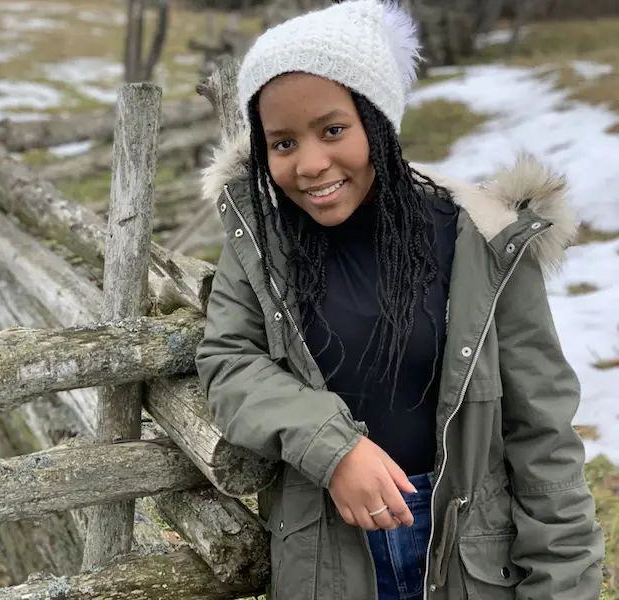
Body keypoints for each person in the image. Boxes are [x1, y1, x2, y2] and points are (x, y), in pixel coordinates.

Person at [194, 1, 605, 599]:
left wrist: (563, 585)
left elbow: (541, 432)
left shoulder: (481, 241)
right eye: (282, 143)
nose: (310, 164)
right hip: (326, 561)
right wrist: (334, 449)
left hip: (469, 556)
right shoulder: (262, 241)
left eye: (333, 130)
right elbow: (230, 363)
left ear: (378, 121)